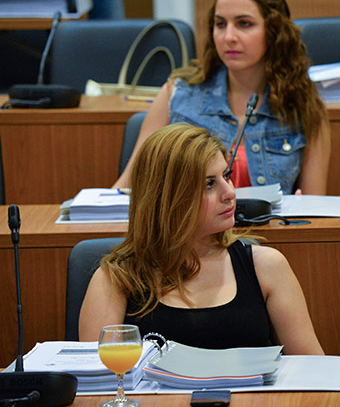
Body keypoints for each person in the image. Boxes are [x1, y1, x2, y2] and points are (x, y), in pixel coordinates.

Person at [80, 123, 324, 353]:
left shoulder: (267, 266)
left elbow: (311, 367)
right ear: (167, 198)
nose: (229, 192)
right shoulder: (114, 281)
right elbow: (99, 378)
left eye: (226, 176)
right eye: (209, 184)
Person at [113, 0, 331, 195]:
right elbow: (126, 188)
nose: (229, 37)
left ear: (275, 32)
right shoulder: (177, 93)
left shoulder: (304, 108)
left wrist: (302, 207)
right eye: (220, 24)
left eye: (244, 24)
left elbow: (315, 207)